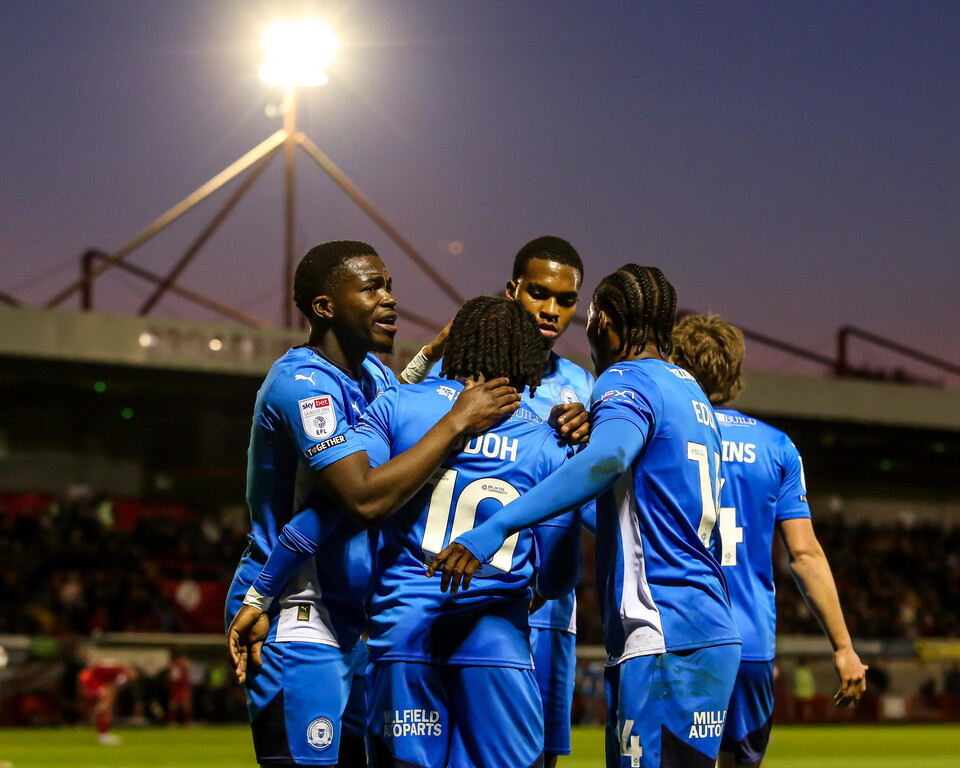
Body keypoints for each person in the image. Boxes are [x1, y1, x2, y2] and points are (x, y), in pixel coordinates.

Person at [429, 265, 742, 768]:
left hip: (662, 629)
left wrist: (495, 526)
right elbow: (634, 500)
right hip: (705, 627)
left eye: (591, 315)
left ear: (608, 320)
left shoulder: (625, 377)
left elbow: (609, 460)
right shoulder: (690, 391)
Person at [225, 241, 519, 768]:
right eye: (372, 288)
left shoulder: (374, 376)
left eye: (390, 286)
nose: (390, 299)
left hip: (357, 618)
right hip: (297, 609)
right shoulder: (301, 385)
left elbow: (394, 409)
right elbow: (361, 497)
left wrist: (435, 352)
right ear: (324, 307)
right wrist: (455, 423)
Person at [400, 235, 593, 766]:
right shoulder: (457, 371)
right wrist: (427, 354)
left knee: (538, 756)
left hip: (547, 609)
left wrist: (595, 437)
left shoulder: (582, 387)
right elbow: (397, 427)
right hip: (448, 596)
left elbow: (594, 496)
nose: (551, 310)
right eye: (538, 293)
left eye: (565, 300)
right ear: (512, 289)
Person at [671, 314, 867, 766]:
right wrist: (843, 647)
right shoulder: (777, 446)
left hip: (681, 636)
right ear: (736, 371)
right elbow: (804, 554)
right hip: (751, 642)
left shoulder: (663, 437)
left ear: (677, 366)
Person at [79, 658, 132, 745]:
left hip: (89, 679)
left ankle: (103, 734)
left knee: (103, 709)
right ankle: (103, 736)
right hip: (92, 682)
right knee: (103, 709)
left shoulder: (116, 667)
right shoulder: (122, 674)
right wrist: (110, 702)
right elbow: (114, 688)